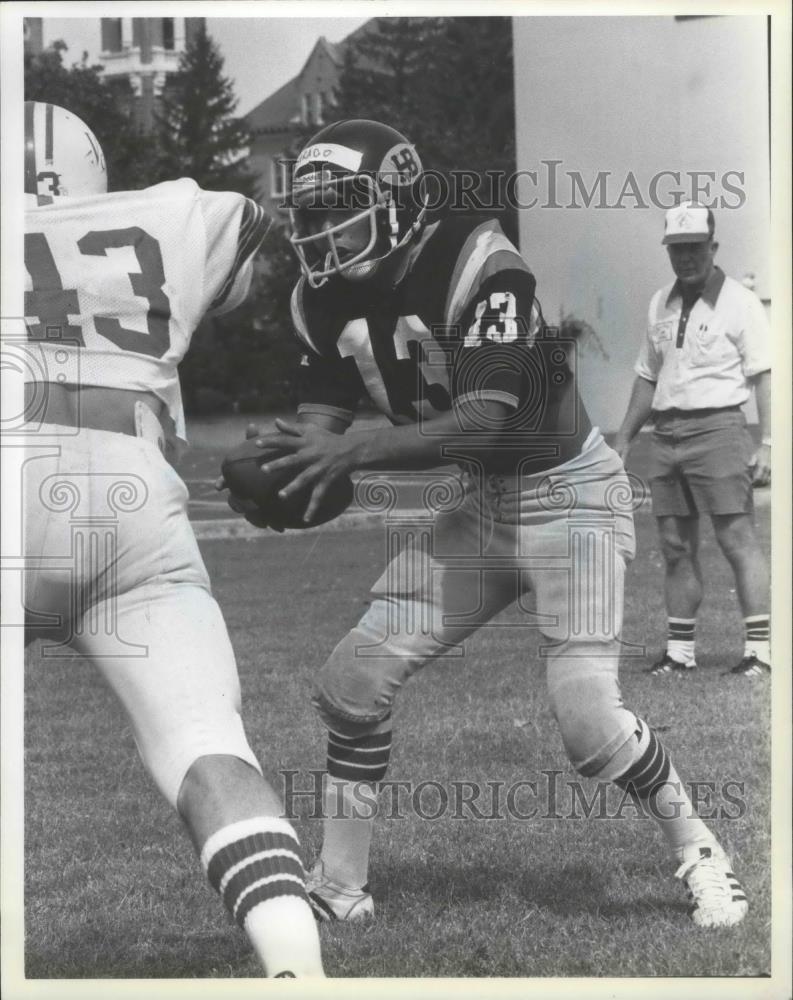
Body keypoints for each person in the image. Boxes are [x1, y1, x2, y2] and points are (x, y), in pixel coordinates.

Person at [225, 119, 750, 930]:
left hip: (570, 493)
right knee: (352, 679)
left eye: (343, 206)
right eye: (312, 210)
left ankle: (700, 850)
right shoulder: (318, 297)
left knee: (586, 721)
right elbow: (321, 428)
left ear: (398, 201)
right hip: (485, 507)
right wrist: (292, 470)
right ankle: (339, 887)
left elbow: (485, 418)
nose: (323, 228)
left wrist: (356, 452)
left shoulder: (474, 256)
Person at [22, 102, 324, 978]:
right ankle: (299, 973)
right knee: (205, 744)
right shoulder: (168, 210)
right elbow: (260, 232)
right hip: (127, 494)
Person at [614, 201, 771, 678]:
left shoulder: (740, 303)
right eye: (677, 248)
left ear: (713, 246)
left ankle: (761, 653)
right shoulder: (660, 301)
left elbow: (765, 375)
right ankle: (680, 653)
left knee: (736, 538)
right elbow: (647, 376)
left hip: (720, 428)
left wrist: (770, 443)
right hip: (666, 435)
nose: (686, 257)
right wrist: (623, 439)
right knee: (675, 544)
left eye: (695, 247)